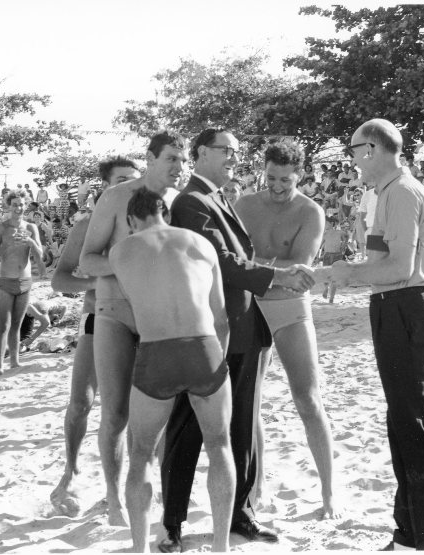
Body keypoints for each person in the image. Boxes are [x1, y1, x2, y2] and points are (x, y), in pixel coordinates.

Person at [159, 128, 314, 551]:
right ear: (201, 153)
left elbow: (235, 259)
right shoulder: (191, 201)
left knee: (243, 424)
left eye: (235, 151)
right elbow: (222, 261)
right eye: (225, 150)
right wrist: (277, 274)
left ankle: (241, 515)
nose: (233, 157)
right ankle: (172, 522)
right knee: (188, 426)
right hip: (211, 331)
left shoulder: (218, 197)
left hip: (246, 328)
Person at [329, 118, 424, 550]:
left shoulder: (400, 192)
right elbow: (382, 261)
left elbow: (399, 269)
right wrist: (348, 272)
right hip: (393, 307)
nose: (351, 159)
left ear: (373, 149)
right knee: (401, 421)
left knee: (413, 424)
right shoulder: (385, 193)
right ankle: (410, 533)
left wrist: (343, 273)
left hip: (406, 307)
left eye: (353, 149)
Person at [110, 187, 235, 552]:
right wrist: (217, 364)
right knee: (220, 446)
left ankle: (140, 547)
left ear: (132, 220)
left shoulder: (122, 250)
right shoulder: (200, 244)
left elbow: (131, 304)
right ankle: (222, 546)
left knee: (141, 454)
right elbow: (221, 317)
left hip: (157, 352)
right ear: (164, 212)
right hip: (204, 347)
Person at [78, 132, 188, 527]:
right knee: (115, 414)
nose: (179, 166)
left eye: (184, 159)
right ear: (151, 158)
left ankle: (152, 491)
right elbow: (87, 262)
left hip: (160, 317)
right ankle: (112, 496)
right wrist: (132, 259)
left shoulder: (181, 202)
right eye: (172, 158)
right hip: (115, 312)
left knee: (162, 414)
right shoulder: (115, 197)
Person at [235, 142, 340, 519]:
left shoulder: (310, 211)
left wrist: (257, 267)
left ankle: (329, 492)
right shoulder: (244, 205)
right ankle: (258, 484)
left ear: (301, 176)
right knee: (249, 403)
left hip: (291, 311)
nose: (278, 186)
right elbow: (233, 260)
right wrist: (269, 271)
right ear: (263, 170)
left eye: (286, 180)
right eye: (272, 178)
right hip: (249, 307)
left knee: (308, 400)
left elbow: (300, 274)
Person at [49, 155, 140, 517]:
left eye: (133, 180)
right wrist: (105, 278)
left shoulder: (148, 222)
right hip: (96, 317)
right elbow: (60, 280)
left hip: (141, 322)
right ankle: (70, 471)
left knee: (130, 412)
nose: (128, 188)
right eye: (120, 181)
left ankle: (120, 490)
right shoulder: (86, 226)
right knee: (82, 402)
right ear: (104, 187)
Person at [0, 190, 42, 376]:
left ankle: (15, 362)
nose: (18, 208)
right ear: (8, 206)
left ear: (26, 205)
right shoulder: (0, 228)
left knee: (17, 326)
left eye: (21, 204)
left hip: (25, 281)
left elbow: (40, 255)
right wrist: (7, 243)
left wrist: (30, 242)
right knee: (3, 325)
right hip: (6, 280)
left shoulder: (31, 227)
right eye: (14, 205)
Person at [0, 298, 65, 360]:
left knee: (1, 348)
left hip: (22, 343)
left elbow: (46, 323)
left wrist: (31, 339)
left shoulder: (31, 307)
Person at [320, 217, 347, 303]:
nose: (324, 225)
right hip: (327, 255)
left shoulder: (340, 232)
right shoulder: (324, 233)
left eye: (326, 223)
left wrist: (343, 247)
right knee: (326, 275)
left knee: (334, 278)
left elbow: (346, 238)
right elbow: (320, 245)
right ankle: (325, 288)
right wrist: (318, 256)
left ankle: (331, 298)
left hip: (337, 255)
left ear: (332, 224)